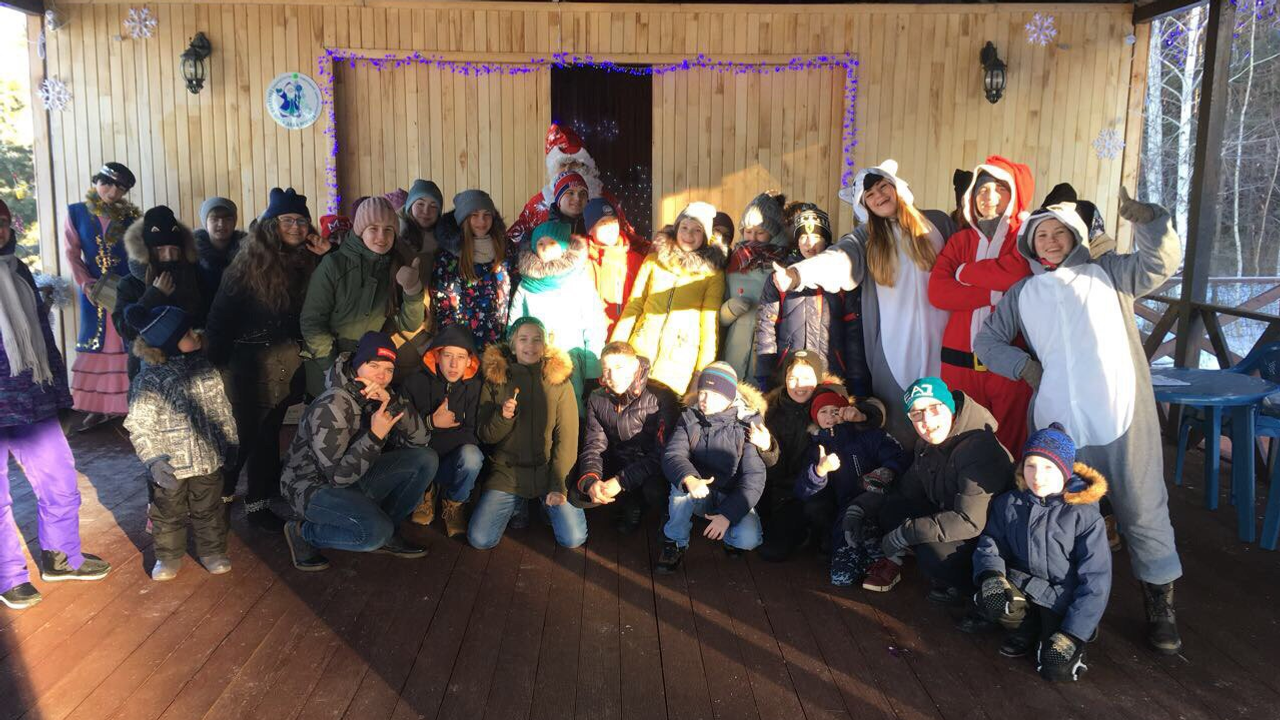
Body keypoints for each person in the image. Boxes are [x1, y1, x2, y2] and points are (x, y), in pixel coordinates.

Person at [974, 191, 1185, 655]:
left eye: (1059, 233)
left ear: (1075, 236)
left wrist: (1150, 221)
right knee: (1056, 512)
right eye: (1041, 235)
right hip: (1058, 423)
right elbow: (986, 342)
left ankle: (1160, 602)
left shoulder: (1109, 273)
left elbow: (1160, 263)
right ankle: (1060, 603)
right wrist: (1027, 368)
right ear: (1030, 243)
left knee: (1141, 507)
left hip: (1119, 414)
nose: (1050, 242)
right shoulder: (1023, 292)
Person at [773, 160, 956, 446]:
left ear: (897, 187)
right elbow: (839, 259)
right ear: (863, 204)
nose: (879, 196)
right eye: (870, 195)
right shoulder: (867, 237)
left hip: (945, 336)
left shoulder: (937, 223)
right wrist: (797, 274)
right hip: (895, 346)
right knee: (902, 421)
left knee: (945, 410)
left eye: (883, 187)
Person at [0, 199, 111, 609]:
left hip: (32, 402)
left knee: (60, 481)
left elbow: (43, 340)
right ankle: (9, 577)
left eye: (2, 223)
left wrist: (60, 397)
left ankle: (62, 557)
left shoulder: (19, 271)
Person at [205, 187, 331, 530]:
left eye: (301, 221)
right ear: (272, 224)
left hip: (286, 366)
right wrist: (214, 365)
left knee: (268, 436)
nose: (296, 227)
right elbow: (220, 316)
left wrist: (327, 256)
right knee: (242, 438)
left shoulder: (310, 260)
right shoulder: (248, 263)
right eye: (288, 220)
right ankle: (218, 503)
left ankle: (258, 505)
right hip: (248, 366)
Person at [280, 332, 435, 571]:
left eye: (389, 369)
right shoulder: (332, 404)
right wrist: (375, 436)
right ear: (357, 365)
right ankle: (304, 532)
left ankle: (389, 531)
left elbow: (421, 439)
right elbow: (338, 478)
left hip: (356, 474)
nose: (382, 375)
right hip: (312, 488)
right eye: (373, 365)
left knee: (426, 459)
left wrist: (392, 402)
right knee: (373, 532)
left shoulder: (377, 395)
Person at [973, 423, 1111, 682]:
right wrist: (990, 574)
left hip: (1060, 597)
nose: (1038, 476)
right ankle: (1026, 629)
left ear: (1065, 471)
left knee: (1055, 668)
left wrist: (1074, 633)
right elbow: (991, 542)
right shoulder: (1010, 503)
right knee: (994, 599)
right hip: (1023, 585)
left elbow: (1096, 580)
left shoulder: (1084, 516)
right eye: (1031, 465)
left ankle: (1072, 631)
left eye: (1049, 467)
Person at [855, 377, 1013, 601]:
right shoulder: (927, 443)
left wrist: (906, 533)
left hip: (989, 538)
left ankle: (968, 589)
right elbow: (907, 489)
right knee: (891, 511)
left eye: (934, 408)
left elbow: (970, 521)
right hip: (950, 514)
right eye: (916, 414)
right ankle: (893, 559)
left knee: (932, 554)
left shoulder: (979, 448)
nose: (927, 421)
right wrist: (860, 507)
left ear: (950, 407)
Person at [929, 156, 1036, 452]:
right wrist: (993, 294)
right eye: (982, 190)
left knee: (1010, 443)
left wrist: (964, 272)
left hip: (1009, 362)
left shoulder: (1023, 237)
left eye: (999, 189)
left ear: (1013, 194)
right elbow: (938, 292)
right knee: (958, 437)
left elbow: (1018, 273)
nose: (989, 196)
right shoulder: (959, 241)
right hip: (957, 362)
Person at [123, 305, 237, 580]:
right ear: (168, 342)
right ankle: (168, 556)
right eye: (187, 333)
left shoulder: (205, 368)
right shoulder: (150, 380)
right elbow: (139, 424)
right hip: (170, 465)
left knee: (209, 508)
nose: (196, 335)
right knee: (167, 511)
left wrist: (230, 441)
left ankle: (212, 551)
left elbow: (221, 409)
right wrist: (154, 460)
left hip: (207, 458)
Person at [468, 317, 585, 550]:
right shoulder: (496, 378)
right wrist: (503, 417)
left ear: (544, 346)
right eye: (523, 339)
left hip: (547, 472)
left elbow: (567, 439)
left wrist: (558, 486)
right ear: (513, 345)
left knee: (573, 538)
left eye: (536, 339)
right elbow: (486, 435)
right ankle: (518, 503)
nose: (530, 346)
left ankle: (543, 505)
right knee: (480, 539)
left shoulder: (559, 383)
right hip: (507, 473)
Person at [300, 197, 425, 396]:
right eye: (373, 228)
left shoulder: (396, 267)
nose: (381, 236)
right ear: (360, 230)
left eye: (388, 230)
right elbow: (312, 321)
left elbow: (409, 324)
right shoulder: (334, 265)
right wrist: (331, 368)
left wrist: (412, 290)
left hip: (369, 369)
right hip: (325, 367)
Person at [657, 362, 768, 572]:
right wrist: (689, 478)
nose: (705, 400)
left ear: (729, 397)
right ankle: (675, 541)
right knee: (680, 486)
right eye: (702, 392)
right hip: (699, 490)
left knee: (748, 538)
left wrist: (727, 515)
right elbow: (673, 454)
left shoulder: (748, 424)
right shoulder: (690, 417)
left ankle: (726, 531)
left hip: (731, 494)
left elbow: (754, 477)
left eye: (714, 394)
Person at [611, 202, 727, 395]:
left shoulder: (712, 274)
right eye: (684, 227)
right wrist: (614, 349)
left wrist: (700, 374)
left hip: (678, 365)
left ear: (705, 235)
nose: (689, 234)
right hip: (638, 354)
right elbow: (634, 306)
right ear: (676, 228)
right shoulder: (653, 261)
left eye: (697, 230)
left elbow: (709, 328)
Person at [796, 387, 905, 586]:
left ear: (845, 412)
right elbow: (802, 489)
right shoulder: (815, 448)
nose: (830, 416)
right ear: (815, 417)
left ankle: (882, 556)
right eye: (823, 411)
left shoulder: (866, 434)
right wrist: (819, 471)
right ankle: (856, 555)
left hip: (873, 502)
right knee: (841, 578)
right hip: (842, 513)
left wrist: (887, 470)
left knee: (879, 541)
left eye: (835, 410)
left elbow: (896, 454)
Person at [755, 203, 869, 394]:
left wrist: (857, 376)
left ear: (826, 239)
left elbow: (854, 330)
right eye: (803, 237)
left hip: (831, 369)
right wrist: (765, 372)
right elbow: (766, 327)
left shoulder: (841, 276)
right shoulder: (781, 276)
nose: (809, 243)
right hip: (791, 369)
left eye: (816, 237)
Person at [571, 341, 679, 534]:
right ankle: (629, 500)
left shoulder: (661, 396)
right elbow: (594, 445)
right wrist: (592, 480)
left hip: (652, 466)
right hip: (619, 460)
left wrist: (621, 481)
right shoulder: (597, 398)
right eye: (607, 369)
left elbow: (662, 452)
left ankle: (661, 513)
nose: (613, 376)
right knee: (579, 493)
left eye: (619, 367)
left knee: (655, 491)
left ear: (635, 366)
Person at [63, 162, 141, 429]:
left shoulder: (131, 219)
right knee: (96, 344)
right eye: (107, 184)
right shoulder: (76, 213)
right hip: (93, 293)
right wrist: (85, 283)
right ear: (97, 181)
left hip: (124, 291)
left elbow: (139, 256)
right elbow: (72, 254)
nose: (112, 192)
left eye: (120, 188)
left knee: (124, 343)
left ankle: (126, 405)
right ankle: (96, 406)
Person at [508, 220, 609, 415]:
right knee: (537, 409)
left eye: (552, 243)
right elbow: (514, 324)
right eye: (541, 243)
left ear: (563, 246)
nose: (546, 248)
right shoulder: (526, 285)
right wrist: (514, 354)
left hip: (572, 358)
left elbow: (594, 324)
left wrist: (592, 369)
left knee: (570, 409)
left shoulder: (579, 280)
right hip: (535, 358)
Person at [402, 325, 485, 539]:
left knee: (472, 456)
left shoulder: (475, 388)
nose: (454, 364)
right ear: (437, 356)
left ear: (470, 361)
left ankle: (454, 502)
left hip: (452, 462)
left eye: (460, 357)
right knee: (417, 450)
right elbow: (402, 430)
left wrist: (432, 434)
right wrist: (431, 422)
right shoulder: (415, 382)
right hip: (422, 461)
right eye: (448, 355)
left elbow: (474, 434)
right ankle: (426, 492)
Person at [114, 205, 209, 380]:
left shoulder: (194, 275)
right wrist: (153, 296)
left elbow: (207, 314)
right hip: (148, 369)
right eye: (160, 250)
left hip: (196, 365)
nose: (168, 256)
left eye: (174, 250)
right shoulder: (130, 283)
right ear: (147, 251)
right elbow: (124, 329)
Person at [507, 124, 640, 247]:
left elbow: (631, 241)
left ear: (586, 167)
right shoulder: (538, 205)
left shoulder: (605, 201)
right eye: (563, 165)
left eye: (574, 163)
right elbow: (511, 243)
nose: (568, 169)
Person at [757, 350, 835, 561]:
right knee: (769, 550)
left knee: (818, 509)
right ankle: (799, 531)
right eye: (793, 378)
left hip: (819, 490)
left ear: (818, 379)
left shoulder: (829, 406)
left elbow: (862, 411)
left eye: (807, 378)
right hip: (784, 491)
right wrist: (767, 448)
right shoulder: (771, 410)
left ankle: (821, 533)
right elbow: (775, 471)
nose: (799, 385)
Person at [721, 192, 790, 382]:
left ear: (774, 233)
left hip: (768, 357)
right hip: (734, 355)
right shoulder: (733, 263)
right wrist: (730, 309)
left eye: (760, 232)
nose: (753, 238)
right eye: (748, 231)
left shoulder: (785, 266)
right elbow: (718, 318)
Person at [432, 189, 514, 350]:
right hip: (462, 346)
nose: (481, 221)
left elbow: (515, 288)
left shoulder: (505, 247)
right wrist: (453, 343)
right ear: (463, 218)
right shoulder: (448, 256)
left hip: (499, 342)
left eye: (487, 214)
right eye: (474, 215)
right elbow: (442, 303)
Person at [583, 198, 645, 338]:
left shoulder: (635, 261)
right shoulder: (581, 261)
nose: (610, 228)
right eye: (603, 223)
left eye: (614, 222)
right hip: (590, 339)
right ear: (591, 229)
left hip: (625, 337)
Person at [194, 196, 247, 294]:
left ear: (234, 222)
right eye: (214, 219)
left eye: (228, 219)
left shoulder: (248, 252)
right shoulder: (193, 253)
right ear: (206, 223)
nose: (221, 224)